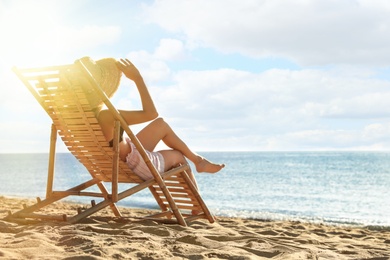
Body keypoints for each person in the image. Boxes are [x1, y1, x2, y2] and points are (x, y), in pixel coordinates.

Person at [95, 58, 225, 185]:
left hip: (123, 158)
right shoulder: (106, 115)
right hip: (134, 164)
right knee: (178, 156)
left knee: (160, 124)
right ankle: (196, 198)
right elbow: (151, 113)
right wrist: (138, 79)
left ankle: (198, 160)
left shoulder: (82, 118)